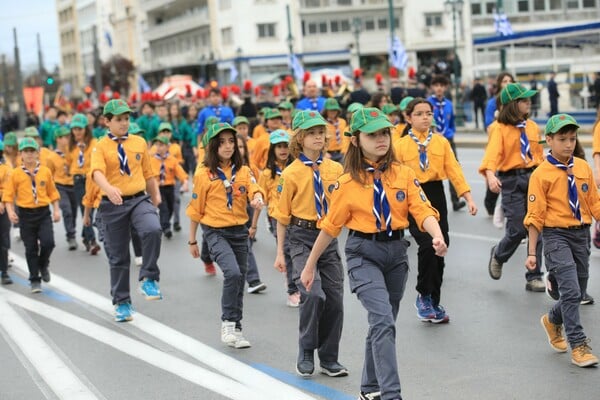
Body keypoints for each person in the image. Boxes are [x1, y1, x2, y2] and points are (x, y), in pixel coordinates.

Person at [300, 107, 447, 400]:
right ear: (355, 140)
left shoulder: (403, 174)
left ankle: (368, 390)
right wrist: (309, 265)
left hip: (396, 254)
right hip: (362, 253)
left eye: (384, 133)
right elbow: (330, 228)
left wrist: (437, 234)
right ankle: (391, 395)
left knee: (383, 324)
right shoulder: (346, 183)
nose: (381, 139)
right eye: (372, 134)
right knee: (382, 322)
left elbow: (421, 208)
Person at [272, 110, 346, 378]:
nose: (318, 137)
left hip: (329, 238)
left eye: (321, 133)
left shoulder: (335, 169)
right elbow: (282, 216)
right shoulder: (290, 174)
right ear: (300, 138)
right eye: (312, 133)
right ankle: (305, 350)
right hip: (301, 237)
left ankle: (329, 357)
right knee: (313, 294)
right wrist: (281, 252)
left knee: (336, 299)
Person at [524, 114, 599, 368]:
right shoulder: (540, 175)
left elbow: (594, 202)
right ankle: (578, 345)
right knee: (570, 290)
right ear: (549, 140)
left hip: (581, 235)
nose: (568, 144)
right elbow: (534, 217)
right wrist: (532, 253)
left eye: (572, 138)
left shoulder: (582, 167)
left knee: (575, 293)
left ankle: (552, 320)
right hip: (556, 235)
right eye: (562, 139)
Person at [394, 98, 477, 322]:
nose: (425, 118)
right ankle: (423, 295)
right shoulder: (400, 146)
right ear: (408, 118)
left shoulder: (441, 142)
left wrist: (468, 197)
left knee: (442, 245)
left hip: (436, 194)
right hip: (413, 194)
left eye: (428, 113)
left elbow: (454, 171)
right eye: (419, 114)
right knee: (428, 244)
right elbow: (392, 177)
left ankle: (434, 299)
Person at [187, 122, 265, 348]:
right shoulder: (203, 174)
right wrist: (192, 240)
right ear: (213, 146)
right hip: (215, 232)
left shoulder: (243, 171)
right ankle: (227, 324)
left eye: (232, 141)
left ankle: (236, 328)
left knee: (240, 278)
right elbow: (195, 209)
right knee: (232, 273)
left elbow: (254, 187)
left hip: (239, 231)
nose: (228, 146)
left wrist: (257, 197)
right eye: (222, 142)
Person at [90, 99, 163, 322]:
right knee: (118, 256)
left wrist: (155, 195)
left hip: (139, 198)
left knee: (153, 229)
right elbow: (96, 173)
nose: (124, 123)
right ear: (107, 121)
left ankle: (149, 278)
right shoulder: (100, 146)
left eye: (127, 119)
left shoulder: (139, 142)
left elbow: (148, 173)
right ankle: (122, 302)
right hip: (112, 204)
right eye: (119, 119)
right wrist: (109, 189)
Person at [480, 83, 545, 291]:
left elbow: (539, 156)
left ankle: (534, 276)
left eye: (529, 99)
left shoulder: (532, 126)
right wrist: (490, 175)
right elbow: (491, 156)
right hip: (511, 181)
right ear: (511, 105)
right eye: (524, 100)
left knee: (536, 227)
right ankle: (499, 254)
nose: (529, 102)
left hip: (533, 178)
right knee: (517, 229)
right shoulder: (499, 129)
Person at [3, 137, 61, 293]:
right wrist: (10, 211)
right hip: (26, 214)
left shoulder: (45, 171)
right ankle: (34, 279)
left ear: (38, 153)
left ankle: (43, 264)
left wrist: (56, 210)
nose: (29, 155)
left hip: (43, 213)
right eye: (26, 151)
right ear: (21, 154)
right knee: (31, 248)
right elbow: (8, 195)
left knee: (48, 242)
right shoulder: (15, 174)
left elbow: (53, 192)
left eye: (32, 151)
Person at [252, 129, 299, 306]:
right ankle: (292, 290)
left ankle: (298, 280)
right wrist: (254, 226)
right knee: (286, 249)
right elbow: (260, 199)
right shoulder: (266, 174)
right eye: (278, 146)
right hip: (276, 217)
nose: (283, 150)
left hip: (296, 216)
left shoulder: (296, 169)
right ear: (272, 150)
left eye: (286, 146)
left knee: (297, 250)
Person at [427, 74, 465, 211]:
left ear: (445, 87)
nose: (439, 89)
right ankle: (431, 203)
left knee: (453, 167)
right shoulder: (428, 103)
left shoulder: (448, 104)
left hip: (448, 139)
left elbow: (452, 121)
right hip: (432, 140)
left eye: (442, 86)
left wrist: (451, 133)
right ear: (432, 87)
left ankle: (456, 200)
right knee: (432, 170)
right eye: (436, 86)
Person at [69, 113, 101, 254]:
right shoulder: (70, 145)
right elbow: (68, 163)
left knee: (91, 210)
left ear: (86, 129)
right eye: (74, 129)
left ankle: (84, 236)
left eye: (80, 129)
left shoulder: (94, 143)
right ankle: (93, 241)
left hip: (92, 180)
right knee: (84, 208)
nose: (77, 132)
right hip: (78, 180)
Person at [150, 135, 189, 239]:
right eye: (157, 145)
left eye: (161, 145)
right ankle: (166, 227)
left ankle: (163, 222)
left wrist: (185, 182)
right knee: (164, 208)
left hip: (170, 187)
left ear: (167, 147)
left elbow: (179, 171)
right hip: (158, 188)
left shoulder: (172, 160)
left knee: (171, 208)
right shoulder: (152, 160)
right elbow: (149, 176)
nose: (158, 147)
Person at [47, 127, 77, 250]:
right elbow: (49, 175)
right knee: (67, 210)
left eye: (67, 137)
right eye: (62, 137)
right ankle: (71, 236)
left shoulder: (73, 152)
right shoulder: (51, 157)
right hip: (60, 186)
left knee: (74, 211)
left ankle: (73, 230)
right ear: (57, 139)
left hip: (74, 184)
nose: (65, 140)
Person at [0, 139, 13, 284]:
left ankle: (4, 271)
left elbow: (8, 188)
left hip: (3, 204)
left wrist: (3, 201)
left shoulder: (6, 166)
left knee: (3, 238)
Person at [322, 98, 348, 163]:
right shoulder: (322, 123)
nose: (333, 112)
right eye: (330, 110)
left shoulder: (343, 121)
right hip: (328, 153)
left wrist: (345, 151)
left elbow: (346, 138)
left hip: (342, 153)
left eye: (335, 110)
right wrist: (323, 152)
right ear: (326, 111)